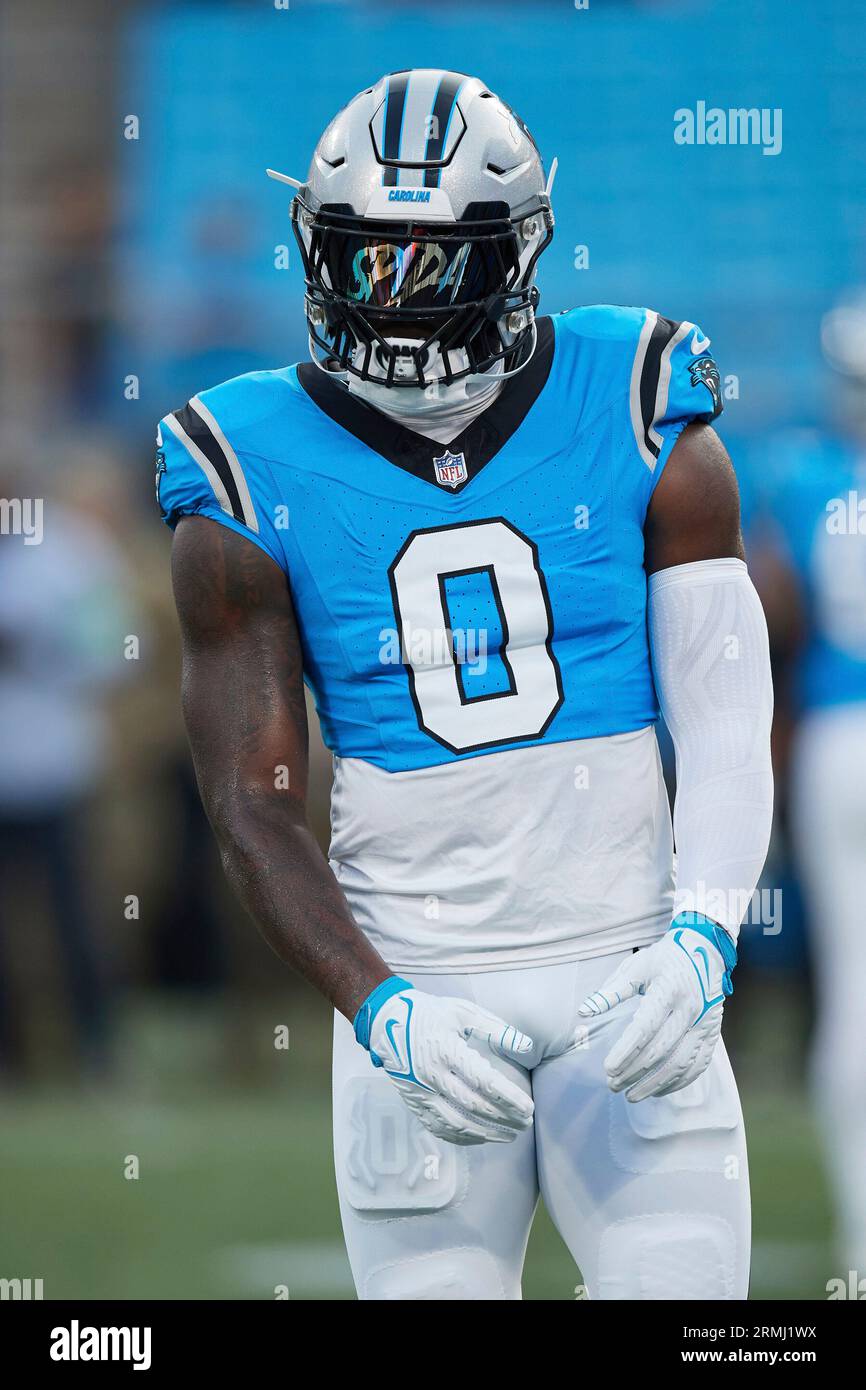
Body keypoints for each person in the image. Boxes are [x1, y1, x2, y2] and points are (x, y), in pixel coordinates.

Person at [157, 70, 773, 1300]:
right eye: (367, 258)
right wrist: (376, 1006)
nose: (394, 299)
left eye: (434, 262)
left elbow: (723, 722)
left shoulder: (638, 398)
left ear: (519, 246)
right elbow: (253, 806)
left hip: (631, 975)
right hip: (418, 999)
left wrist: (703, 931)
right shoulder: (243, 464)